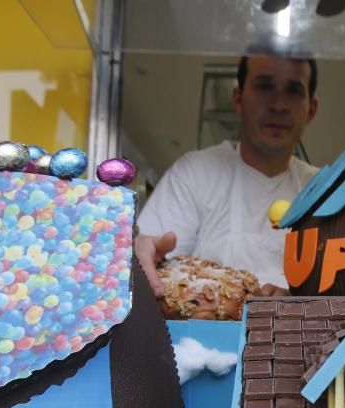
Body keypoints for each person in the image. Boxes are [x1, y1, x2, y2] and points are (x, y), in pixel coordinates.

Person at [134, 51, 320, 296]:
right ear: (238, 100)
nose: (279, 105)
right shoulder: (195, 173)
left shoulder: (323, 191)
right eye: (264, 87)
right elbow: (154, 261)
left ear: (311, 110)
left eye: (294, 90)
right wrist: (138, 254)